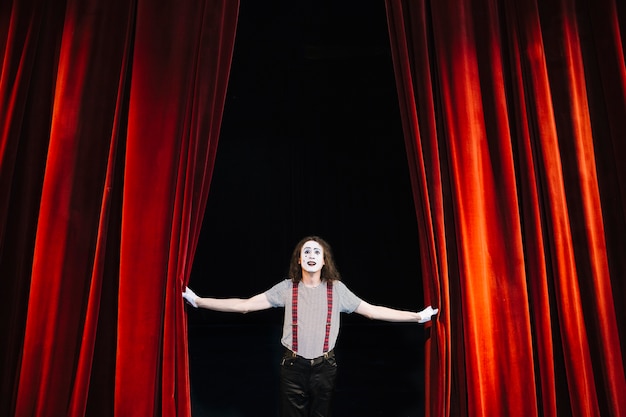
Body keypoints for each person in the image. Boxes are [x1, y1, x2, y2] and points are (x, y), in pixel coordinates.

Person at [183, 235, 438, 417]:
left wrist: (416, 317)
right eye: (306, 252)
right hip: (292, 368)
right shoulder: (286, 288)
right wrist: (199, 301)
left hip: (325, 368)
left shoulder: (337, 290)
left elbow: (372, 311)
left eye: (317, 252)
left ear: (325, 260)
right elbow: (245, 305)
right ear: (299, 260)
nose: (311, 255)